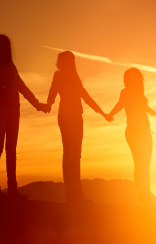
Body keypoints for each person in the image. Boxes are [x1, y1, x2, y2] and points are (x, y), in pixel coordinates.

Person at [0, 35, 47, 199]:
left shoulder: (11, 66)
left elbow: (21, 86)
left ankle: (12, 189)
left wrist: (37, 104)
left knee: (11, 150)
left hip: (14, 109)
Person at [44, 51, 110, 203]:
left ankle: (78, 193)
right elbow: (53, 90)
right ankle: (70, 193)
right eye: (66, 60)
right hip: (65, 117)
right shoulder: (58, 75)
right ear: (60, 62)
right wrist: (49, 103)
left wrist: (102, 112)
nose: (69, 63)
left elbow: (85, 96)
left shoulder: (75, 77)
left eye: (71, 60)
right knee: (69, 154)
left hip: (77, 117)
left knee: (76, 155)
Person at [106, 68, 156, 205]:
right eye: (131, 78)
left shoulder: (140, 93)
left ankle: (146, 198)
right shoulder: (125, 92)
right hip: (134, 132)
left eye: (136, 77)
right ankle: (144, 199)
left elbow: (142, 106)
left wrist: (151, 111)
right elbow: (120, 104)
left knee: (145, 166)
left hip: (145, 131)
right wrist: (110, 114)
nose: (135, 80)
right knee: (140, 165)